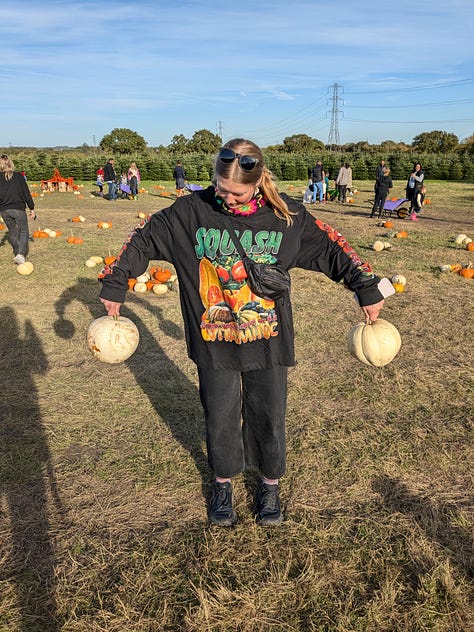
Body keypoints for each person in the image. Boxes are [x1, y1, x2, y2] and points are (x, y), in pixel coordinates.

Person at [98, 138, 385, 528]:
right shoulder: (191, 212)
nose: (227, 198)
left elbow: (333, 247)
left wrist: (365, 287)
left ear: (256, 184)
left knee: (269, 415)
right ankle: (222, 484)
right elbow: (144, 236)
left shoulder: (287, 218)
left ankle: (269, 486)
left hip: (267, 340)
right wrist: (116, 281)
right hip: (214, 341)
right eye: (220, 189)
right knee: (219, 415)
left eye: (235, 193)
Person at [0, 154, 36, 265]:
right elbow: (26, 193)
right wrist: (32, 208)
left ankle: (17, 253)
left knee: (13, 232)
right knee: (24, 231)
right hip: (18, 209)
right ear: (10, 163)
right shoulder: (18, 176)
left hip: (4, 210)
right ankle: (20, 254)